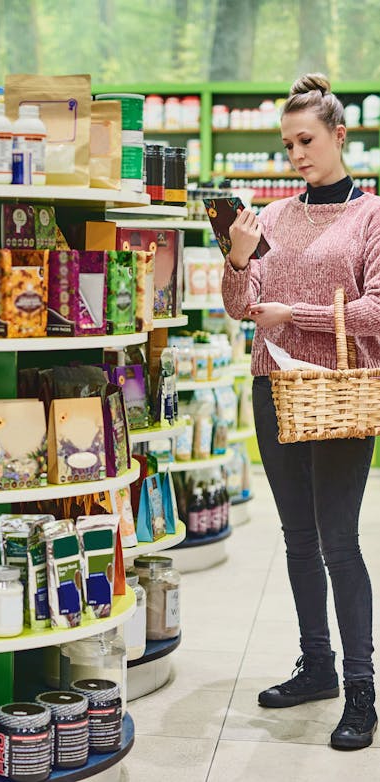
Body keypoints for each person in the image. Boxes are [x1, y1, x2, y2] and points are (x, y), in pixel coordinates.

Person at [221, 73, 380, 751]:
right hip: (273, 388)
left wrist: (299, 315)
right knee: (296, 539)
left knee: (339, 542)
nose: (295, 153)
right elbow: (240, 310)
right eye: (287, 143)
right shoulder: (272, 218)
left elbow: (377, 310)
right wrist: (234, 258)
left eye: (306, 140)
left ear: (338, 136)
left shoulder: (370, 215)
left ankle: (360, 688)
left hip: (337, 391)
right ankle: (314, 666)